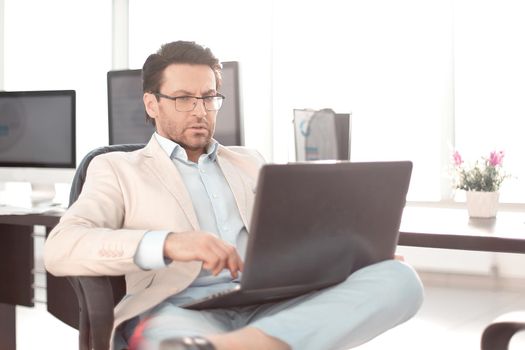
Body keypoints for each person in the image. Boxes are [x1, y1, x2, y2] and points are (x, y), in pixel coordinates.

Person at [44, 40, 423, 350]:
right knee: (171, 341)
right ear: (151, 104)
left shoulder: (249, 161)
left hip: (270, 301)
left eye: (209, 98)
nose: (200, 111)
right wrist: (170, 243)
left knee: (399, 279)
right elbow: (61, 247)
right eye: (183, 99)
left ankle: (241, 345)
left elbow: (295, 239)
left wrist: (356, 255)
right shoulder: (117, 169)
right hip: (180, 309)